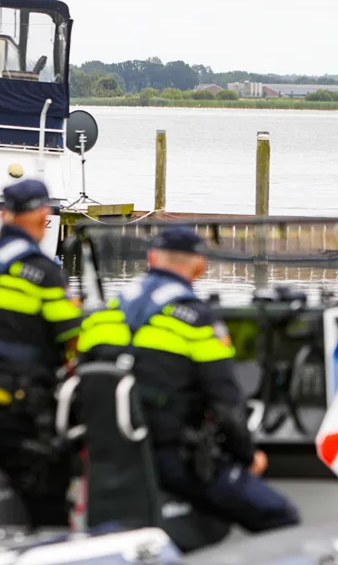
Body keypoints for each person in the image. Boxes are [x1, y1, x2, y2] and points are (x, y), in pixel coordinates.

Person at [77, 226, 300, 533]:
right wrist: (248, 457)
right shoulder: (197, 322)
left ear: (152, 257)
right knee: (280, 514)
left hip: (111, 459)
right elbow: (227, 407)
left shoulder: (101, 316)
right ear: (200, 265)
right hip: (173, 461)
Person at [0, 178, 81, 526]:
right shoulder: (43, 273)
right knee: (48, 487)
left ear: (3, 215)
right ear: (41, 216)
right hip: (21, 407)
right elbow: (73, 339)